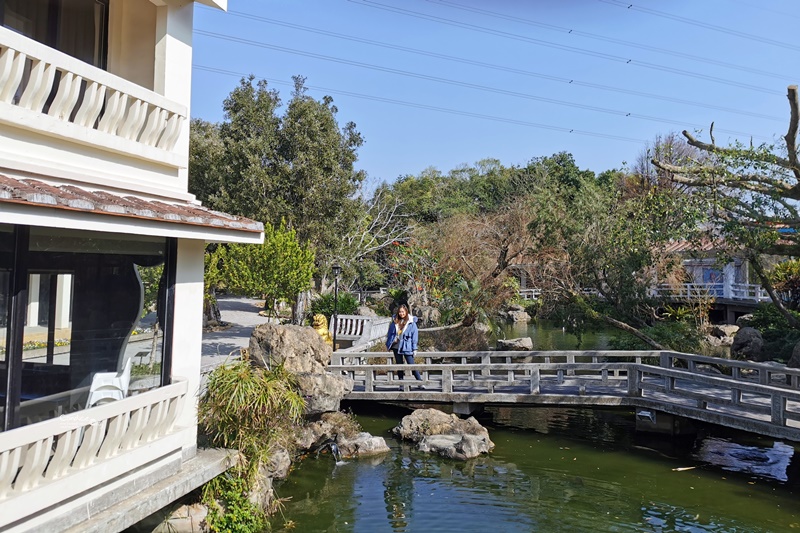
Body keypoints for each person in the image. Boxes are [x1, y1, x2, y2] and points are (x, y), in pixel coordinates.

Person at [385, 303, 421, 380]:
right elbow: (390, 334)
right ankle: (401, 383)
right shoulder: (395, 321)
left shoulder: (411, 322)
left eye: (403, 311)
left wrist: (414, 348)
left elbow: (414, 336)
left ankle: (420, 382)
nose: (401, 313)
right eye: (400, 312)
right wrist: (388, 345)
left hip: (406, 345)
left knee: (411, 365)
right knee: (399, 366)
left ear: (406, 311)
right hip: (396, 346)